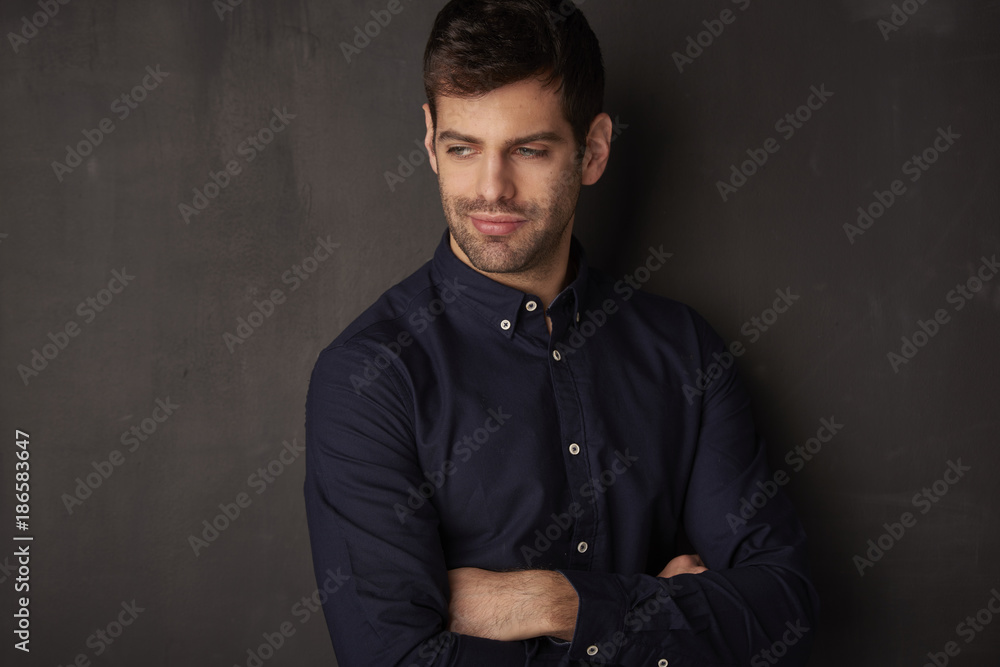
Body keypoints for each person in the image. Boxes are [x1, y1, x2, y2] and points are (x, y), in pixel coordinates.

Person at [304, 0, 819, 664]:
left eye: (529, 149)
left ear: (594, 149)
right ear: (431, 141)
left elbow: (782, 605)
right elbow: (395, 659)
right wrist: (657, 619)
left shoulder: (685, 351)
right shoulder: (368, 378)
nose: (492, 188)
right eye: (463, 148)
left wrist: (556, 603)